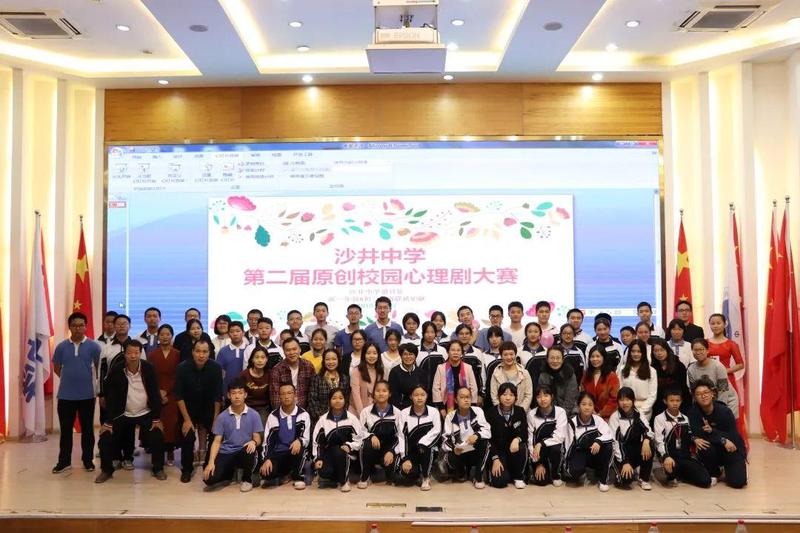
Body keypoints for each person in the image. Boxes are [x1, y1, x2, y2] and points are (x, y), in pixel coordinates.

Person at [95, 340, 166, 483]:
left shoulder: (148, 368)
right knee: (105, 438)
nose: (133, 356)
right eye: (129, 353)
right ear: (124, 354)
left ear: (140, 353)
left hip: (145, 412)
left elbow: (154, 393)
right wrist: (108, 421)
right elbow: (111, 396)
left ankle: (158, 468)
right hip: (123, 413)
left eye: (136, 353)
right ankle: (106, 470)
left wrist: (156, 418)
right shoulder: (117, 369)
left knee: (157, 435)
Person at [52, 312, 102, 474]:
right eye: (74, 325)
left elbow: (98, 368)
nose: (78, 328)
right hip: (65, 396)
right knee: (66, 430)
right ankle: (64, 461)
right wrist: (70, 379)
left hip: (87, 396)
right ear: (70, 327)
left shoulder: (94, 347)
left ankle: (88, 460)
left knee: (87, 430)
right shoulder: (61, 347)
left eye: (81, 325)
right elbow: (57, 368)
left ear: (86, 327)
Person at [174, 338, 223, 482]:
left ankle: (209, 464)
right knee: (188, 436)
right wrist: (187, 420)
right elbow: (178, 395)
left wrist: (216, 419)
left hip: (208, 408)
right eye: (198, 351)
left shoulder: (215, 367)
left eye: (205, 352)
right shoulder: (182, 367)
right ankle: (187, 469)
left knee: (215, 433)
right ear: (193, 352)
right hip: (188, 409)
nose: (201, 355)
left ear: (209, 353)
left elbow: (218, 396)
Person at [202, 379, 263, 492]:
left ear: (245, 395)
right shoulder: (222, 417)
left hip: (244, 451)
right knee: (209, 479)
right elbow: (216, 441)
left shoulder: (254, 415)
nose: (237, 396)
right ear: (229, 395)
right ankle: (229, 474)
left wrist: (254, 442)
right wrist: (210, 463)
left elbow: (258, 438)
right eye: (234, 393)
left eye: (240, 393)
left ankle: (247, 480)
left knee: (251, 449)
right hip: (227, 452)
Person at [688, 378, 747, 488]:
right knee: (703, 445)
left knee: (738, 482)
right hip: (714, 448)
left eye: (706, 392)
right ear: (695, 397)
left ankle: (731, 469)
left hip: (731, 448)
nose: (703, 396)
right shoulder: (693, 412)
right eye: (699, 394)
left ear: (712, 393)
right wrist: (721, 439)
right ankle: (715, 472)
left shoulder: (725, 412)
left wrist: (713, 432)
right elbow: (698, 433)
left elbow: (733, 436)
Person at [653, 386, 712, 488]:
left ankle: (683, 474)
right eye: (671, 400)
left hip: (685, 457)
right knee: (670, 477)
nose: (675, 403)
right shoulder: (659, 418)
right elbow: (659, 442)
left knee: (706, 481)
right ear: (665, 401)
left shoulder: (685, 418)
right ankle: (667, 471)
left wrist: (695, 439)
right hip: (670, 457)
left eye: (677, 400)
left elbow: (690, 435)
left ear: (681, 401)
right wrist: (665, 457)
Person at [312, 388, 365, 492]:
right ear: (329, 401)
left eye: (340, 398)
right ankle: (335, 477)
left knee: (338, 451)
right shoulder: (323, 420)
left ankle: (344, 481)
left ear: (345, 400)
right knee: (324, 472)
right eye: (334, 398)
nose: (337, 401)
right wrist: (318, 458)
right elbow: (317, 442)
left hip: (348, 453)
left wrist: (350, 445)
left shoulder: (352, 418)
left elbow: (360, 439)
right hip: (329, 453)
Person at [261, 382, 312, 490]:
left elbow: (306, 439)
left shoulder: (303, 414)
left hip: (294, 452)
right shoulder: (273, 416)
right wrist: (267, 459)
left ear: (295, 395)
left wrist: (299, 440)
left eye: (289, 393)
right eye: (283, 394)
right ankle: (285, 473)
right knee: (266, 474)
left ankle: (298, 476)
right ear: (279, 396)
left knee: (301, 448)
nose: (286, 396)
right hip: (278, 453)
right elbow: (267, 442)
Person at [441, 387, 492, 489]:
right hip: (459, 451)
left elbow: (487, 431)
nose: (466, 400)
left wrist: (477, 435)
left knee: (485, 442)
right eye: (462, 397)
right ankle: (461, 471)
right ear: (456, 400)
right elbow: (445, 440)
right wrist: (454, 448)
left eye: (468, 397)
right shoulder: (450, 416)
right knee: (450, 456)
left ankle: (478, 476)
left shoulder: (478, 411)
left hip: (474, 448)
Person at [563, 392, 614, 492]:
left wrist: (598, 441)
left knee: (608, 446)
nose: (587, 407)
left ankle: (602, 480)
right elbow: (568, 446)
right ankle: (583, 472)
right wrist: (567, 464)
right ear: (578, 406)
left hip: (595, 452)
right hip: (580, 452)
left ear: (594, 407)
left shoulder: (598, 420)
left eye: (590, 405)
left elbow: (609, 435)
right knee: (574, 472)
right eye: (584, 404)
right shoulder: (572, 423)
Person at [357, 380, 402, 488]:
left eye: (384, 391)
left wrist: (392, 451)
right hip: (372, 448)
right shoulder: (365, 412)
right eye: (377, 391)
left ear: (389, 394)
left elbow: (400, 436)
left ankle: (389, 473)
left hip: (388, 449)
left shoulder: (397, 413)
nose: (381, 393)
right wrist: (371, 436)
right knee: (366, 444)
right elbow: (360, 432)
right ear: (373, 393)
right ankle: (365, 477)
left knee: (393, 479)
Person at [397, 385, 441, 491]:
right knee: (408, 475)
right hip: (411, 451)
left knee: (427, 448)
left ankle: (426, 477)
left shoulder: (434, 412)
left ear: (427, 396)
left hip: (427, 449)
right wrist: (405, 458)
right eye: (416, 395)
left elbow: (437, 431)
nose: (419, 398)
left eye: (422, 395)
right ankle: (418, 472)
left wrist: (422, 443)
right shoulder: (404, 413)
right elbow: (401, 436)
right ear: (411, 397)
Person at [608, 387, 653, 490]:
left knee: (650, 444)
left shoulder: (639, 414)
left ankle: (644, 479)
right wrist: (624, 461)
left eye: (628, 399)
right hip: (620, 455)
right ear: (618, 401)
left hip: (634, 451)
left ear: (633, 401)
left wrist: (646, 440)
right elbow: (615, 443)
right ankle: (620, 470)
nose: (625, 403)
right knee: (626, 481)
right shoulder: (615, 417)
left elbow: (648, 430)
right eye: (621, 400)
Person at [149, 324, 181, 466]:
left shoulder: (177, 354)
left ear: (172, 336)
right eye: (162, 334)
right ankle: (158, 452)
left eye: (168, 334)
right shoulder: (152, 355)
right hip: (156, 394)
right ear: (158, 337)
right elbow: (150, 376)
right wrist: (158, 392)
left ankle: (170, 451)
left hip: (172, 394)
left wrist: (166, 391)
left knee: (172, 423)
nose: (165, 337)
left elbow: (178, 376)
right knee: (158, 422)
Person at [486, 383, 528, 489]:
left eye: (511, 395)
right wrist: (495, 458)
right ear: (498, 396)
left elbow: (524, 433)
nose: (508, 398)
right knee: (499, 482)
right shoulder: (491, 413)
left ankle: (518, 477)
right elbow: (488, 439)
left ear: (516, 397)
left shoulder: (520, 411)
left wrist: (517, 439)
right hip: (498, 452)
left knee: (522, 446)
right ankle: (506, 472)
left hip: (514, 450)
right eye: (504, 394)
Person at [527, 384, 568, 487]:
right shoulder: (531, 414)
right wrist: (537, 463)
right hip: (538, 452)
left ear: (552, 396)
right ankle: (541, 468)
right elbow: (530, 440)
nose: (542, 399)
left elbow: (560, 437)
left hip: (553, 449)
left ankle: (556, 475)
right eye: (539, 396)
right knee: (541, 482)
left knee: (556, 448)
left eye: (546, 395)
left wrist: (541, 444)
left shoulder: (560, 412)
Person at [687, 339, 739, 417]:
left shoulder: (718, 366)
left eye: (701, 349)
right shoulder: (691, 369)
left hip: (727, 402)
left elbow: (723, 390)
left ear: (707, 350)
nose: (698, 352)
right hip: (706, 405)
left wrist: (717, 411)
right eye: (695, 350)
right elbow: (694, 392)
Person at [433, 341, 478, 418]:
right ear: (448, 352)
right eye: (453, 350)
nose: (455, 353)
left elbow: (473, 388)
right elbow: (436, 388)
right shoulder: (441, 368)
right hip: (446, 404)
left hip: (465, 403)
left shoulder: (468, 367)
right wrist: (441, 408)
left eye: (458, 350)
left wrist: (472, 406)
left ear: (462, 353)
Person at [308, 348, 351, 427]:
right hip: (321, 420)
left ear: (338, 360)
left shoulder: (344, 378)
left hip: (341, 419)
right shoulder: (317, 378)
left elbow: (347, 399)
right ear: (323, 361)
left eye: (334, 359)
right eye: (327, 359)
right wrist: (321, 417)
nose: (331, 362)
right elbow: (312, 401)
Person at [706, 313, 745, 398]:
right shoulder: (705, 343)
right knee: (708, 401)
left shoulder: (731, 344)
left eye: (718, 323)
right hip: (708, 377)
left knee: (724, 401)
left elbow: (740, 364)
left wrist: (726, 371)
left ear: (725, 324)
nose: (715, 326)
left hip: (725, 378)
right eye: (713, 323)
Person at [617, 340, 658, 420]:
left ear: (643, 353)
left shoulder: (651, 371)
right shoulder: (622, 369)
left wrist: (642, 411)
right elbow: (619, 389)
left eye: (639, 351)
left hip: (644, 409)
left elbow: (653, 395)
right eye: (633, 351)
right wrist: (626, 407)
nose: (636, 354)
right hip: (625, 406)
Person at [270, 337, 315, 408]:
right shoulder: (277, 370)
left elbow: (314, 392)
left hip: (306, 408)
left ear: (300, 349)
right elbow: (275, 398)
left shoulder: (308, 366)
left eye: (294, 349)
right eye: (288, 350)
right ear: (284, 352)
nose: (291, 353)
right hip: (284, 409)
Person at [650, 338, 690, 419]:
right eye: (656, 351)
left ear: (667, 350)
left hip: (678, 403)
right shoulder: (652, 368)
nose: (659, 353)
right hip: (659, 404)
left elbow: (683, 388)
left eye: (662, 350)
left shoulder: (679, 365)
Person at [580, 344, 620, 420]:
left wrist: (600, 414)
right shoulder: (586, 375)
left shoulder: (612, 376)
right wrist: (591, 411)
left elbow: (614, 399)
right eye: (592, 357)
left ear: (604, 358)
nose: (595, 359)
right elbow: (583, 395)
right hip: (588, 414)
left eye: (598, 356)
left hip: (607, 417)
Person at [489, 341, 533, 409]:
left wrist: (520, 411)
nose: (509, 357)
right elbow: (494, 396)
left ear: (515, 354)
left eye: (511, 354)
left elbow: (528, 395)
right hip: (501, 412)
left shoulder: (524, 373)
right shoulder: (496, 373)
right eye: (505, 355)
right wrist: (501, 411)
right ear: (501, 356)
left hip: (522, 411)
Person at [537, 346, 578, 414]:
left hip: (569, 412)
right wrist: (552, 414)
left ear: (562, 359)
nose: (555, 361)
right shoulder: (543, 375)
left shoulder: (570, 374)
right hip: (549, 411)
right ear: (547, 359)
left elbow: (570, 400)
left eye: (558, 358)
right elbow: (544, 398)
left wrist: (561, 415)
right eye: (552, 358)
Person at [350, 342, 386, 415]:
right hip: (357, 411)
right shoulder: (357, 371)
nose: (371, 356)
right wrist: (363, 414)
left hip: (374, 411)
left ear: (378, 355)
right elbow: (355, 394)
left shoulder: (380, 371)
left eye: (374, 353)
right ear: (364, 355)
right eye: (368, 353)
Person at [388, 343, 427, 410]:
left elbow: (424, 392)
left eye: (411, 354)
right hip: (401, 408)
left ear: (415, 356)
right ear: (401, 356)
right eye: (405, 354)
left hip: (418, 407)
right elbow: (393, 396)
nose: (408, 357)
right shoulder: (395, 372)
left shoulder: (420, 372)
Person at [216, 320, 250, 391]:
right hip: (228, 389)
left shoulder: (249, 350)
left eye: (238, 331)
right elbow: (218, 373)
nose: (235, 334)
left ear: (243, 333)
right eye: (232, 332)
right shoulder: (223, 351)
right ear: (228, 334)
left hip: (247, 389)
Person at [240, 346, 271, 423]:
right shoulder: (244, 375)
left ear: (266, 359)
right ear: (252, 359)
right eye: (256, 357)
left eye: (263, 357)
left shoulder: (270, 374)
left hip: (264, 408)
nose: (260, 360)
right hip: (246, 407)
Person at [455, 324, 486, 403]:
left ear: (471, 335)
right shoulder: (452, 352)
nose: (464, 336)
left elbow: (482, 375)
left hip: (473, 395)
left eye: (467, 333)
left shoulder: (477, 353)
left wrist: (481, 394)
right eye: (461, 334)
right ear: (457, 335)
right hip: (454, 395)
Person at [416, 321, 448, 394]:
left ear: (435, 333)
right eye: (427, 332)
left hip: (439, 390)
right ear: (422, 333)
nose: (430, 335)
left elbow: (446, 371)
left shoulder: (442, 351)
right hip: (421, 391)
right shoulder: (417, 350)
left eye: (432, 332)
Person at [481, 326, 506, 400]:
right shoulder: (483, 356)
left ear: (502, 338)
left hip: (506, 393)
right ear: (488, 339)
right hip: (489, 393)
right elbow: (483, 376)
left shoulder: (508, 356)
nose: (494, 339)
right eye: (491, 337)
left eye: (497, 336)